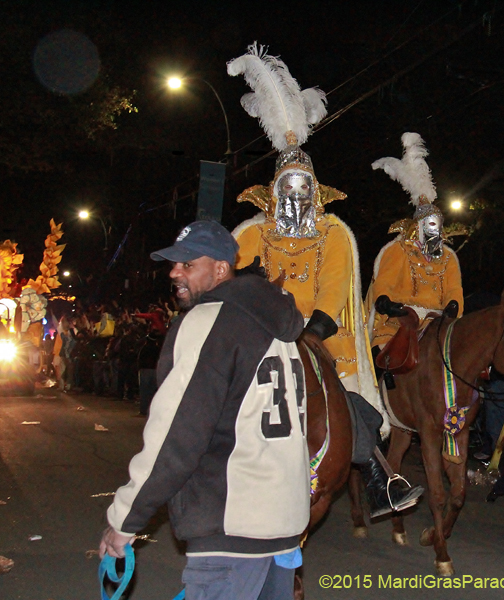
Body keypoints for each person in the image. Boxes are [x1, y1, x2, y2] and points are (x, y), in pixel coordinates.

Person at [227, 44, 419, 517]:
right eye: (286, 188)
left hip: (319, 331)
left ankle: (379, 475)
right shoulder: (251, 232)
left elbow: (334, 289)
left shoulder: (334, 233)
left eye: (303, 188)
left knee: (347, 399)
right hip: (261, 328)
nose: (295, 195)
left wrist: (313, 330)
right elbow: (235, 284)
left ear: (316, 193)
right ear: (273, 192)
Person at [99, 220, 309, 600]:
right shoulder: (281, 326)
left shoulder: (205, 322)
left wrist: (124, 519)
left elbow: (176, 436)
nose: (174, 272)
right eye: (173, 264)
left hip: (231, 529)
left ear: (220, 269)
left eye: (187, 263)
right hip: (283, 530)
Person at [365, 132, 464, 351]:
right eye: (429, 225)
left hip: (436, 323)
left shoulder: (448, 258)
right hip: (400, 319)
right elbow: (385, 282)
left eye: (437, 225)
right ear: (418, 228)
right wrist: (385, 300)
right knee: (385, 353)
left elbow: (454, 288)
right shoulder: (399, 250)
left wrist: (453, 304)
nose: (434, 230)